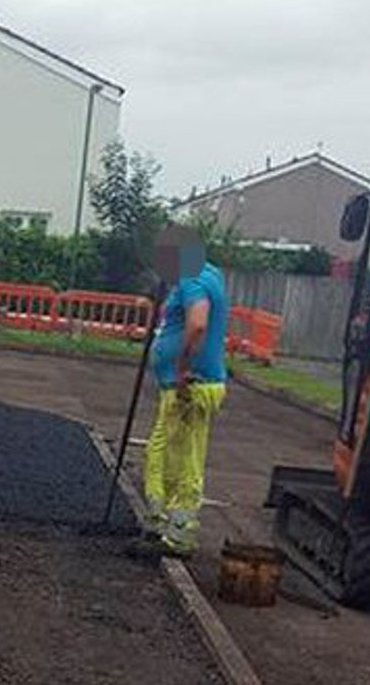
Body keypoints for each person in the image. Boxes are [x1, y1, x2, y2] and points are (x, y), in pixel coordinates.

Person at [141, 225, 229, 557]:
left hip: (190, 385)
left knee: (183, 459)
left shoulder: (193, 279)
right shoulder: (207, 274)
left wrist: (181, 369)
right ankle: (160, 519)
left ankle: (180, 533)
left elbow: (198, 323)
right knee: (162, 450)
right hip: (182, 385)